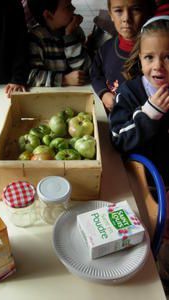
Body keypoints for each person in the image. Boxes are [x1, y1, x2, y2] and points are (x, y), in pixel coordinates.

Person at [109, 15, 169, 291]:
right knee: (145, 243)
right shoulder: (130, 94)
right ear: (140, 58)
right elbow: (118, 140)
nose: (158, 66)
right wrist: (149, 115)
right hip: (139, 186)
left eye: (168, 57)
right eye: (149, 57)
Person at [91, 0, 155, 113]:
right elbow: (95, 73)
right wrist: (104, 93)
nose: (126, 18)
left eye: (135, 9)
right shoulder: (106, 49)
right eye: (119, 10)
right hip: (111, 120)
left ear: (147, 13)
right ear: (110, 14)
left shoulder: (155, 54)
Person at [27, 0, 91, 87]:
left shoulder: (74, 30)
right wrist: (64, 80)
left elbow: (86, 69)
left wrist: (69, 36)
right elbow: (31, 76)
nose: (74, 8)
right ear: (48, 15)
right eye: (68, 7)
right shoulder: (36, 38)